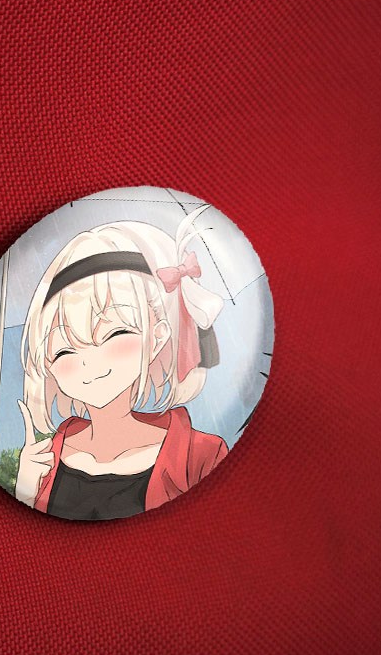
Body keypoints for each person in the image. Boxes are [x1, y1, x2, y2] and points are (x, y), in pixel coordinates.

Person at [16, 206, 227, 520]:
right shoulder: (46, 459)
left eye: (114, 334)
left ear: (156, 337)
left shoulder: (200, 455)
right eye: (64, 351)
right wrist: (25, 491)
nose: (89, 363)